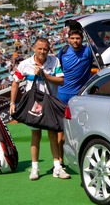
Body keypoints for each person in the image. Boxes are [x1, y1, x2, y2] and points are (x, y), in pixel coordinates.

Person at [9, 38, 69, 181]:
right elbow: (15, 83)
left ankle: (57, 167)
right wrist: (12, 102)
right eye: (40, 49)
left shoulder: (54, 61)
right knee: (35, 135)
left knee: (53, 135)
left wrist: (45, 76)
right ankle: (35, 168)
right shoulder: (25, 64)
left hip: (50, 104)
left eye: (45, 49)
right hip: (34, 105)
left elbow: (61, 81)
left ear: (49, 49)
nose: (42, 52)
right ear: (34, 48)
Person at [56, 26, 95, 165]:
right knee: (60, 132)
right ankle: (59, 161)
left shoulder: (88, 51)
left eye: (77, 38)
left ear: (82, 39)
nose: (75, 41)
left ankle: (83, 160)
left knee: (80, 130)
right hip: (62, 95)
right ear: (68, 39)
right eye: (72, 38)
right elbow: (57, 68)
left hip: (79, 97)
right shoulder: (63, 51)